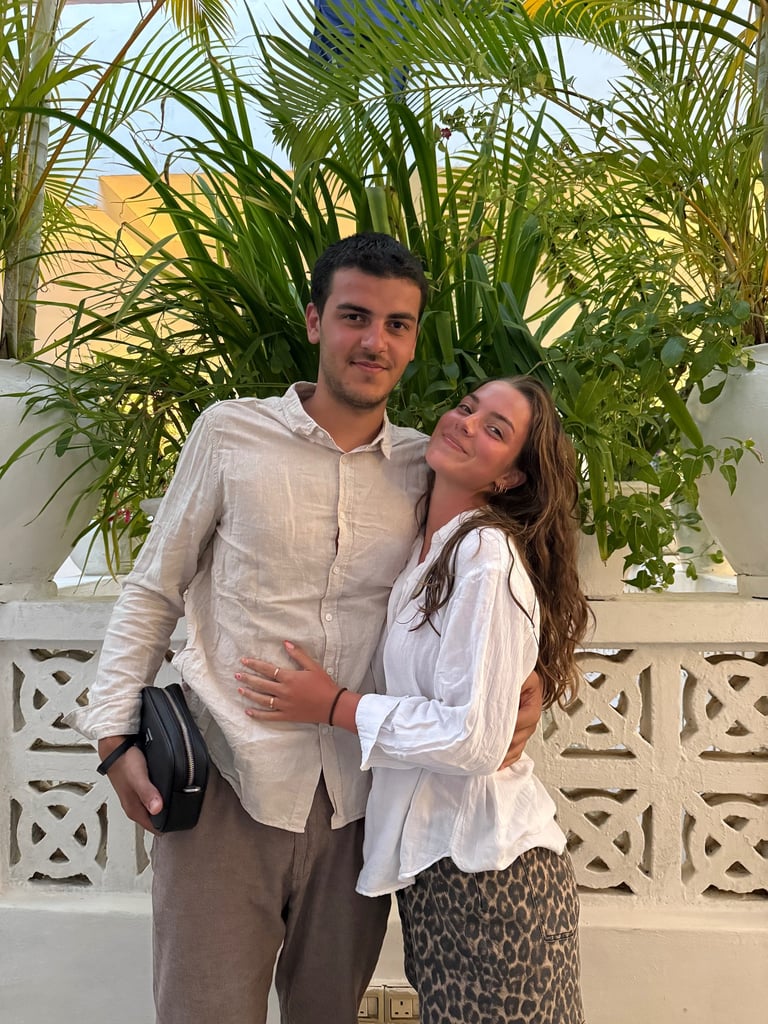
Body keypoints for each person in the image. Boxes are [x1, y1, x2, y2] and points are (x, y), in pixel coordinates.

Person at [65, 232, 542, 1024]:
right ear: (317, 321)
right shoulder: (229, 434)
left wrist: (536, 680)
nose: (374, 341)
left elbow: (510, 578)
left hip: (359, 800)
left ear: (412, 341)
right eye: (355, 316)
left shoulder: (429, 466)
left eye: (396, 325)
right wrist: (112, 737)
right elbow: (154, 587)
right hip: (226, 781)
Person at [236, 374, 591, 1024]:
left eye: (494, 429)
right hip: (442, 873)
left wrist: (335, 706)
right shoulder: (427, 552)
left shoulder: (485, 556)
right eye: (467, 407)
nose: (466, 423)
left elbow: (475, 740)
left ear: (509, 477)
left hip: (492, 873)